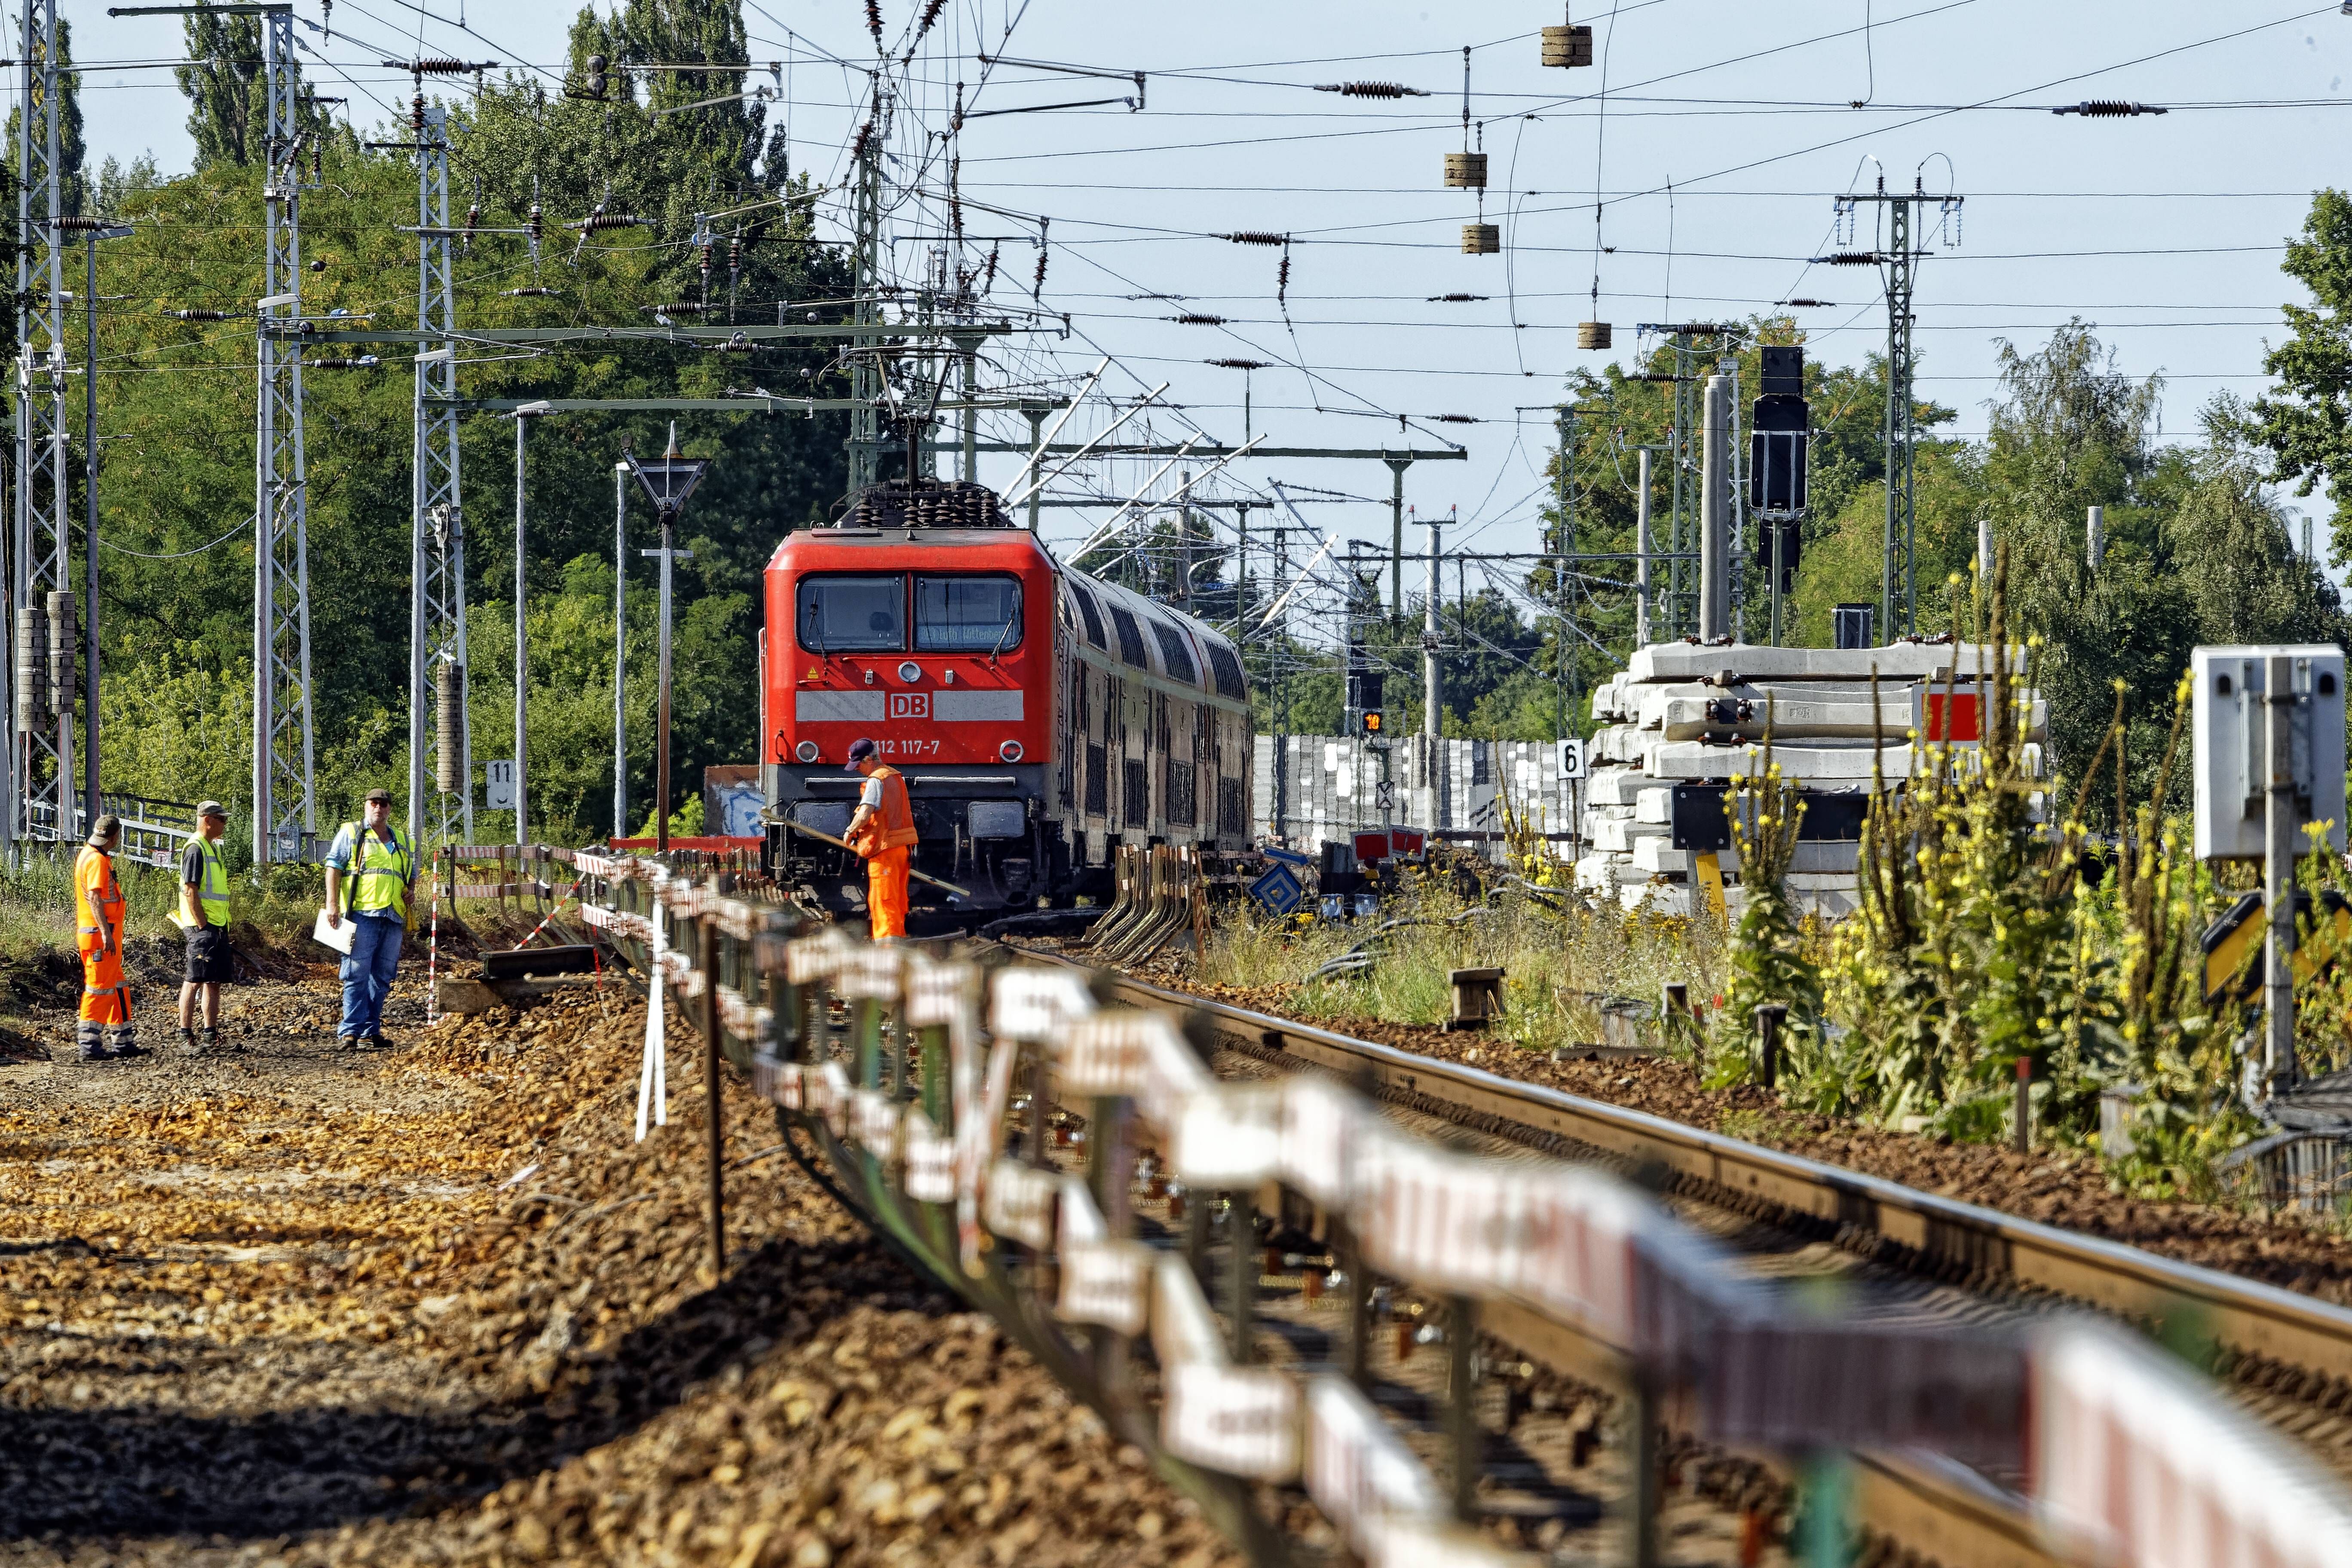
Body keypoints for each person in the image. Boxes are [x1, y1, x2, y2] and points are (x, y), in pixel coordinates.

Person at [322, 787, 417, 1049]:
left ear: (390, 809)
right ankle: (350, 1032)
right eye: (375, 803)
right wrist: (332, 905)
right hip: (361, 915)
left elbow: (410, 873)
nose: (379, 808)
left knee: (383, 976)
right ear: (366, 806)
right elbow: (334, 867)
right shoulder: (352, 833)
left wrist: (411, 892)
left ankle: (370, 1031)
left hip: (393, 915)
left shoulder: (401, 840)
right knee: (356, 973)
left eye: (384, 804)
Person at [73, 814, 140, 1062]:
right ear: (115, 837)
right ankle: (89, 1046)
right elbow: (95, 897)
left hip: (101, 934)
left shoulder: (88, 855)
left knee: (118, 986)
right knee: (100, 989)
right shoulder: (98, 861)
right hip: (101, 936)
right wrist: (105, 933)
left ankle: (123, 1042)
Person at [171, 801, 234, 1055]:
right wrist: (202, 925)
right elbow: (191, 891)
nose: (225, 824)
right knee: (194, 980)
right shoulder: (196, 848)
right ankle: (184, 1035)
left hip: (216, 925)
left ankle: (210, 1034)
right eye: (222, 819)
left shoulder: (210, 848)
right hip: (203, 927)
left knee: (213, 980)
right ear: (208, 820)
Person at [842, 737, 919, 940]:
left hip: (884, 849)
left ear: (868, 759)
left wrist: (850, 831)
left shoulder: (876, 780)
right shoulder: (893, 776)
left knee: (883, 900)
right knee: (896, 900)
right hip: (900, 848)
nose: (857, 769)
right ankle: (897, 941)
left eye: (858, 764)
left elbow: (866, 812)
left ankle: (887, 949)